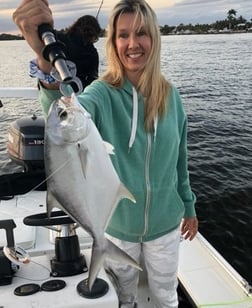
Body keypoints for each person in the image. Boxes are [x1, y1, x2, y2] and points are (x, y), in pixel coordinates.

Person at [13, 0, 198, 307]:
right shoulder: (101, 93)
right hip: (117, 226)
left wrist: (188, 206)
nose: (132, 43)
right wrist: (45, 65)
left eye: (141, 33)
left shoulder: (171, 96)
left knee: (166, 295)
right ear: (113, 42)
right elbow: (66, 114)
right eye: (123, 35)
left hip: (166, 225)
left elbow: (180, 158)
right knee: (124, 295)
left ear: (154, 37)